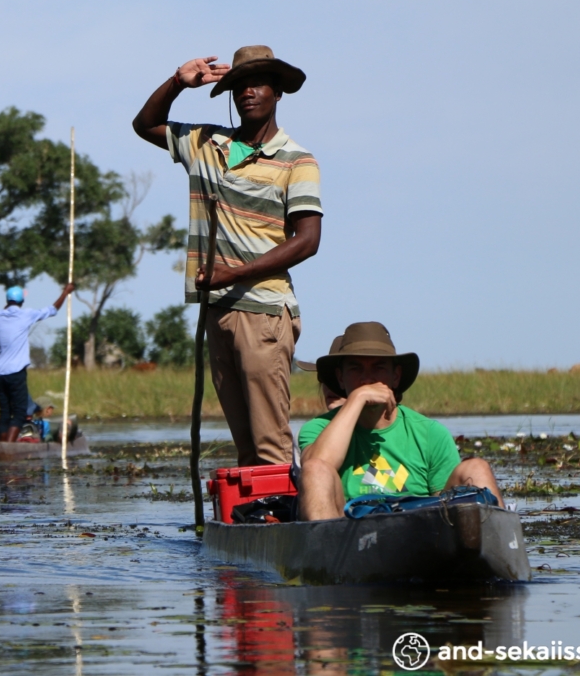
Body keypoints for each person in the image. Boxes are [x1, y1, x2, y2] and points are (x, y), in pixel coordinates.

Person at [132, 45, 322, 466]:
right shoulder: (206, 142)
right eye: (239, 85)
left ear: (277, 92)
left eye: (258, 84)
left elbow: (308, 241)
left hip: (265, 313)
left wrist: (234, 273)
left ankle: (284, 521)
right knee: (245, 447)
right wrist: (178, 82)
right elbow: (145, 125)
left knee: (270, 443)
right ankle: (256, 521)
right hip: (218, 309)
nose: (247, 92)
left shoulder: (297, 161)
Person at [297, 321, 504, 521]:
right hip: (345, 542)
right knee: (315, 468)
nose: (366, 379)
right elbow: (317, 468)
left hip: (420, 536)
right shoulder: (317, 429)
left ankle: (497, 551)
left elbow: (448, 505)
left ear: (395, 377)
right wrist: (357, 399)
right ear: (340, 378)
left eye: (378, 368)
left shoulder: (431, 434)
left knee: (476, 468)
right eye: (355, 368)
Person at [0, 283, 74, 442]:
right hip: (16, 373)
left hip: (0, 373)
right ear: (21, 302)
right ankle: (9, 447)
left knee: (5, 411)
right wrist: (65, 293)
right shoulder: (26, 314)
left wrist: (6, 307)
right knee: (20, 412)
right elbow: (53, 310)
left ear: (7, 300)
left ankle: (2, 444)